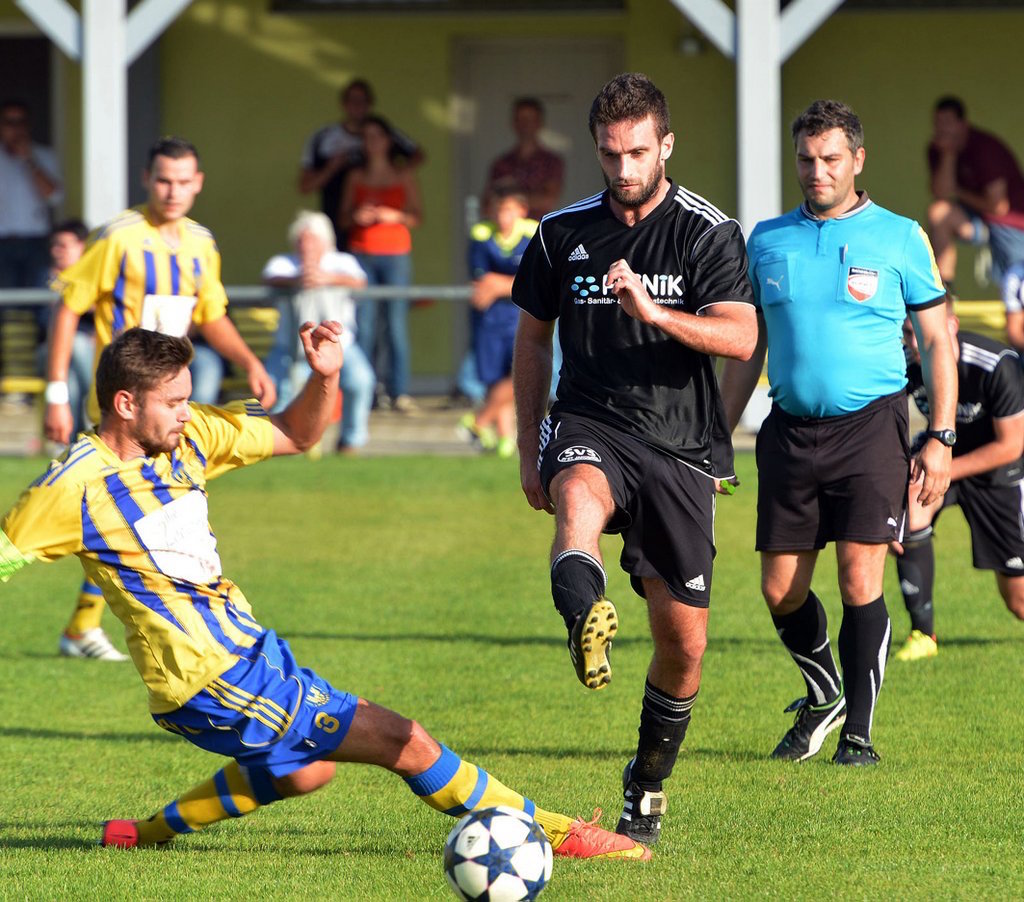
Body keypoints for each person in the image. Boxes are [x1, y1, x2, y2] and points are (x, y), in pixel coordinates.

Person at [0, 325, 650, 862]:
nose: (185, 412)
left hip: (249, 650)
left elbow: (296, 433)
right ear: (123, 404)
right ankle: (563, 835)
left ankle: (141, 835)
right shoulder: (73, 487)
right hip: (206, 677)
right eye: (171, 402)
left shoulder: (189, 434)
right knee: (405, 740)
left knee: (305, 770)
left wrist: (326, 376)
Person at [512, 73, 757, 846]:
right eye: (611, 153)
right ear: (596, 149)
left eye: (638, 152)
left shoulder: (707, 231)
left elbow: (742, 337)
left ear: (666, 147)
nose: (624, 168)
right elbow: (530, 337)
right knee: (578, 492)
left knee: (684, 647)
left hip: (680, 447)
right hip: (592, 419)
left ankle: (645, 787)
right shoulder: (560, 233)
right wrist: (530, 448)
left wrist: (655, 313)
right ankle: (584, 611)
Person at [720, 99, 957, 767]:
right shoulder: (766, 238)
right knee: (779, 589)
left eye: (830, 158)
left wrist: (939, 436)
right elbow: (750, 345)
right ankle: (823, 693)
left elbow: (939, 340)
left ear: (857, 159)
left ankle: (859, 734)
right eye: (806, 158)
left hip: (872, 428)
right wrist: (716, 435)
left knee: (860, 577)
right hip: (789, 430)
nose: (816, 170)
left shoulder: (901, 235)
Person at [44, 135, 276, 662]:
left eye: (183, 181)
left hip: (170, 403)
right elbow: (68, 307)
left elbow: (211, 314)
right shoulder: (119, 237)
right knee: (124, 511)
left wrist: (249, 361)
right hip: (121, 403)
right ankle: (121, 624)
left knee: (143, 514)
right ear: (147, 180)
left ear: (198, 183)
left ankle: (93, 625)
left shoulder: (200, 244)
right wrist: (57, 392)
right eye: (163, 180)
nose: (173, 191)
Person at [892, 308, 1024, 661]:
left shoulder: (996, 364)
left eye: (919, 330)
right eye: (907, 333)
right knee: (910, 500)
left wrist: (944, 469)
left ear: (950, 324)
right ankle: (922, 634)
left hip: (998, 474)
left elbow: (1012, 445)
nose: (914, 341)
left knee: (1018, 600)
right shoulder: (902, 362)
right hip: (941, 458)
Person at [263, 211, 375, 453]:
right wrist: (297, 279)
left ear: (326, 241)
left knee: (362, 381)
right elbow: (270, 278)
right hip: (290, 346)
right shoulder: (284, 262)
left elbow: (361, 283)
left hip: (341, 345)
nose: (306, 245)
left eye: (312, 239)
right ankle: (277, 447)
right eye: (302, 239)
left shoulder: (342, 262)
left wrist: (328, 278)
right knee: (274, 390)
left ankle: (351, 443)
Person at [339, 115, 422, 414]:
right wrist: (357, 217)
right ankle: (368, 390)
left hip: (396, 254)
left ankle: (399, 391)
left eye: (378, 136)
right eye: (367, 137)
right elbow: (343, 218)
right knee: (365, 325)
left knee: (396, 326)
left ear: (388, 141)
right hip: (362, 256)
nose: (372, 142)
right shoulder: (355, 176)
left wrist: (393, 215)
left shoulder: (403, 175)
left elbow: (416, 217)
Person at [298, 78, 423, 249]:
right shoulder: (323, 137)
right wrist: (332, 167)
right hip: (335, 222)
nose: (357, 105)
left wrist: (396, 175)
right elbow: (305, 186)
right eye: (352, 100)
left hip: (379, 231)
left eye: (362, 100)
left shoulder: (385, 133)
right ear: (343, 104)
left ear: (370, 104)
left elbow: (418, 154)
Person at [460, 187, 537, 457]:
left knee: (519, 372)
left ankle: (478, 421)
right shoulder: (481, 235)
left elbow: (538, 280)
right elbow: (481, 280)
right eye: (497, 210)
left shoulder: (534, 234)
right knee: (496, 378)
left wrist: (502, 284)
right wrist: (506, 284)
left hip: (523, 315)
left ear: (521, 211)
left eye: (508, 210)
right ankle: (506, 439)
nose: (502, 217)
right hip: (491, 318)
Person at [926, 96, 1024, 293]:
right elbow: (942, 193)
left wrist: (958, 191)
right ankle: (944, 293)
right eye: (938, 123)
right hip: (978, 221)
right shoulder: (937, 150)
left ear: (963, 124)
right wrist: (949, 154)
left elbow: (998, 207)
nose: (943, 129)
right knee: (938, 213)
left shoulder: (986, 148)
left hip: (1011, 223)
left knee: (1015, 286)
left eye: (948, 122)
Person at [0, 100, 62, 289]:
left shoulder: (44, 155)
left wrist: (29, 160)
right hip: (2, 242)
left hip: (36, 242)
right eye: (9, 123)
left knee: (38, 302)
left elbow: (54, 197)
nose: (16, 129)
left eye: (21, 122)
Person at [46, 220, 95, 438]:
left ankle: (71, 439)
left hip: (89, 353)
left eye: (64, 245)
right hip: (48, 353)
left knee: (71, 379)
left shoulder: (93, 277)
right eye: (54, 245)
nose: (57, 251)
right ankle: (97, 399)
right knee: (75, 344)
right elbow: (49, 322)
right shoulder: (45, 277)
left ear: (83, 247)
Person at [483, 97, 565, 221]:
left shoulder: (551, 161)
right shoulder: (501, 163)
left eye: (530, 119)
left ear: (539, 122)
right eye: (521, 119)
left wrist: (509, 196)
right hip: (507, 236)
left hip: (538, 230)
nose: (525, 125)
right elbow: (487, 205)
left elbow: (549, 200)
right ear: (514, 123)